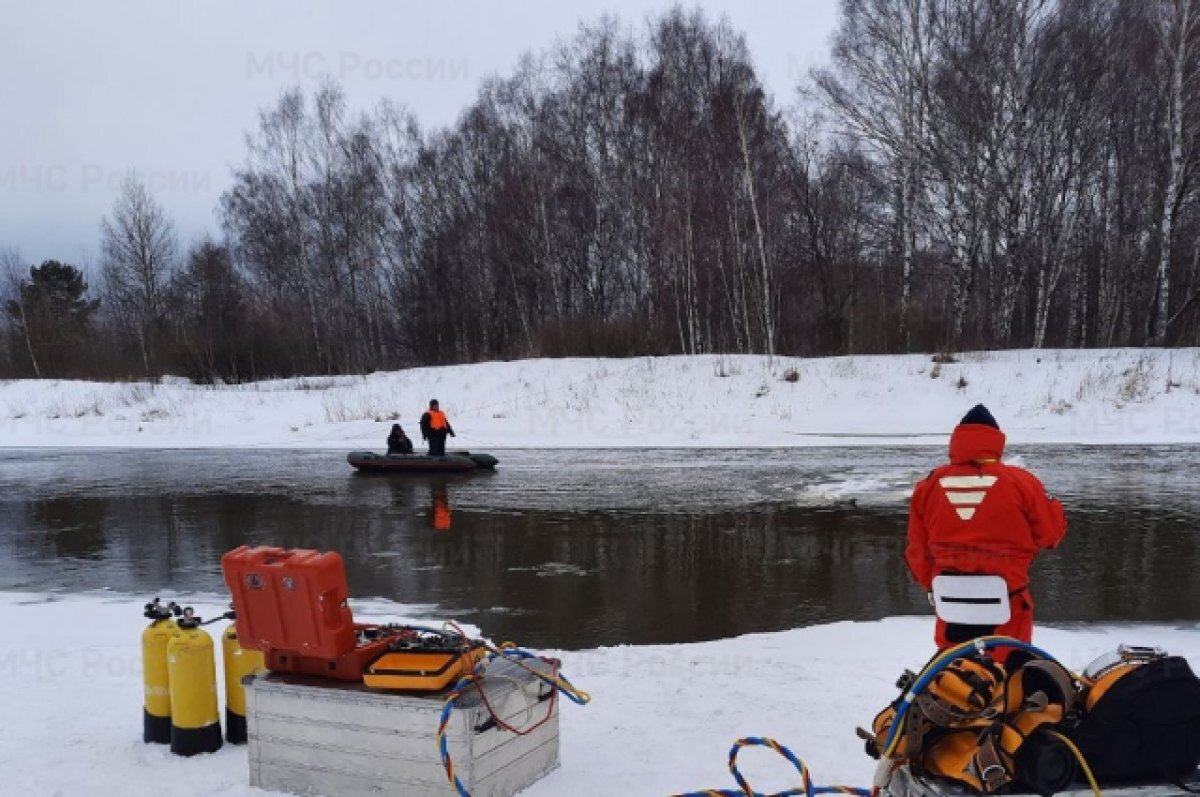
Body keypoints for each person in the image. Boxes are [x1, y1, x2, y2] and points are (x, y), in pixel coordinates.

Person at [906, 404, 1066, 648]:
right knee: (1010, 671)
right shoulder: (1021, 482)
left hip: (951, 605)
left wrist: (937, 585)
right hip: (1008, 603)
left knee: (957, 675)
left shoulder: (928, 486)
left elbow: (916, 553)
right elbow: (1051, 534)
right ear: (996, 441)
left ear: (957, 440)